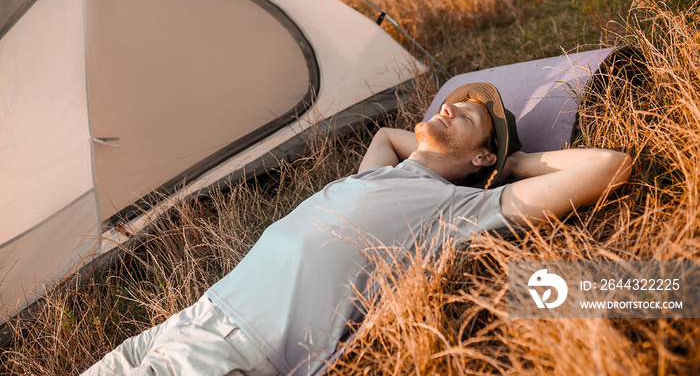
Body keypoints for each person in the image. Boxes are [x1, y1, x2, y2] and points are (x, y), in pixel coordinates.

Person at [83, 83, 632, 376]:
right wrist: (448, 140)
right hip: (189, 320)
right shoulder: (383, 175)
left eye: (464, 116)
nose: (446, 110)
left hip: (235, 353)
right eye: (446, 104)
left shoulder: (456, 211)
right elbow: (396, 139)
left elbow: (611, 165)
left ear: (483, 155)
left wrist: (506, 164)